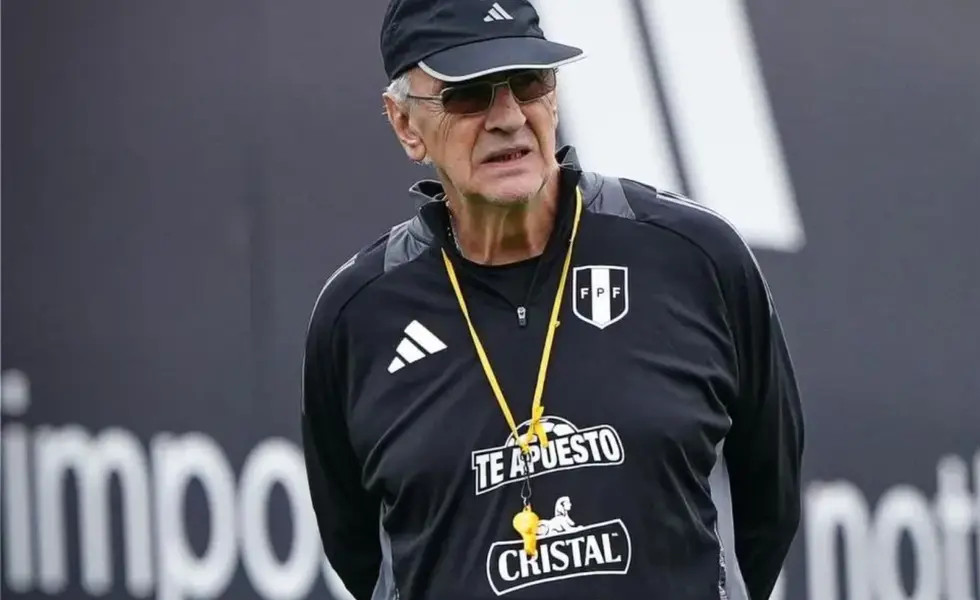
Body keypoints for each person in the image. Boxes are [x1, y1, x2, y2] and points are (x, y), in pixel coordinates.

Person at [300, 0, 805, 598]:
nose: (509, 117)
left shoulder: (695, 257)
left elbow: (767, 507)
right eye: (470, 94)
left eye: (528, 82)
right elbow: (359, 553)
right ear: (406, 124)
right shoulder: (358, 315)